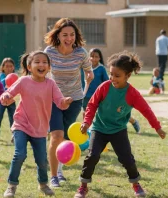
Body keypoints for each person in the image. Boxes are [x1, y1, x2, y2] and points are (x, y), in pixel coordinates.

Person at [74, 51, 166, 198]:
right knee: (92, 156)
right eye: (111, 74)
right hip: (99, 128)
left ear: (127, 76)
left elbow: (146, 110)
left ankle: (136, 183)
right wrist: (86, 122)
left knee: (126, 159)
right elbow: (92, 105)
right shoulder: (104, 87)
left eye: (117, 76)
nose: (112, 78)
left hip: (118, 130)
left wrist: (157, 127)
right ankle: (83, 186)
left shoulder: (132, 94)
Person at [1, 51, 73, 197]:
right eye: (37, 62)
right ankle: (11, 186)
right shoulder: (24, 81)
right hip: (21, 124)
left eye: (45, 62)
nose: (41, 65)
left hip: (40, 128)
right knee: (19, 154)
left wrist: (65, 101)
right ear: (29, 66)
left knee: (41, 160)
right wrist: (6, 96)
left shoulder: (51, 84)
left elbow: (59, 101)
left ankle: (43, 184)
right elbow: (9, 92)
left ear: (49, 67)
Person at [44, 18, 94, 187]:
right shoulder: (49, 52)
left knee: (65, 136)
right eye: (65, 34)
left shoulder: (81, 53)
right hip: (54, 99)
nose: (69, 38)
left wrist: (89, 75)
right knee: (56, 135)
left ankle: (60, 171)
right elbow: (42, 70)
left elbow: (89, 71)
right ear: (57, 35)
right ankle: (53, 175)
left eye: (72, 34)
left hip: (74, 99)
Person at [81, 48, 141, 134]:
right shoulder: (85, 68)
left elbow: (109, 82)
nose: (93, 58)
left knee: (114, 113)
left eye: (96, 56)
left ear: (99, 58)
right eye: (91, 56)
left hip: (101, 97)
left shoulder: (101, 68)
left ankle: (133, 121)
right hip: (87, 95)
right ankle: (87, 131)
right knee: (86, 112)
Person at [0, 58, 16, 138]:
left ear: (13, 67)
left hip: (12, 101)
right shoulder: (0, 76)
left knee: (13, 119)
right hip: (1, 101)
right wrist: (7, 79)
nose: (9, 68)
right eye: (7, 66)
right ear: (3, 67)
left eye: (11, 66)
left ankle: (14, 135)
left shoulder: (15, 77)